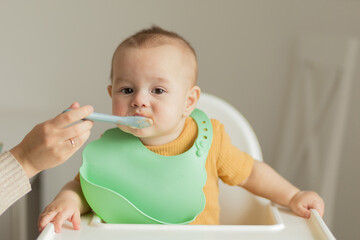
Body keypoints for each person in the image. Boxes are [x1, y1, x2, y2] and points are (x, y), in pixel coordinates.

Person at [38, 26, 325, 233]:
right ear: (111, 94)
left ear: (188, 101)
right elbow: (84, 186)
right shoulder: (109, 146)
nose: (139, 100)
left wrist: (292, 196)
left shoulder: (210, 140)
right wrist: (68, 200)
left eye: (158, 90)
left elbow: (251, 172)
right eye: (127, 90)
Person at [0, 102, 94, 215]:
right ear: (110, 93)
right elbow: (83, 189)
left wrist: (26, 159)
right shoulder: (103, 149)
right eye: (122, 91)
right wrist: (69, 200)